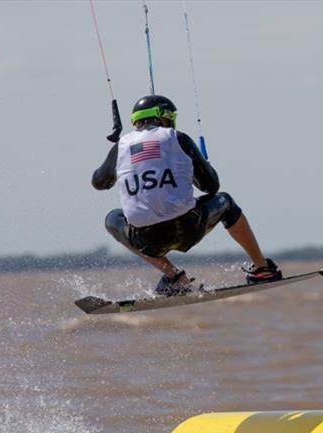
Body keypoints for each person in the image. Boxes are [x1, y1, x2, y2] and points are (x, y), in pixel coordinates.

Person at [91, 94, 282, 295]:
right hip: (188, 227)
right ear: (166, 116)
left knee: (112, 218)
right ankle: (263, 268)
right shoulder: (177, 138)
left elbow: (99, 183)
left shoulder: (120, 147)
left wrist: (119, 160)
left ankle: (174, 277)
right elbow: (211, 186)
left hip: (146, 239)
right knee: (226, 201)